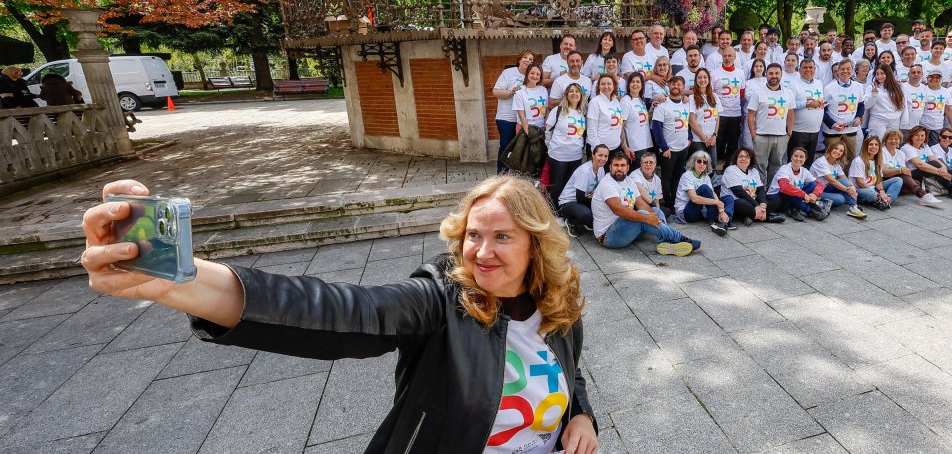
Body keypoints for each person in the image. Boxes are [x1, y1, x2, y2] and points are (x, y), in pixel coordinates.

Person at [81, 177, 600, 454]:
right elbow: (345, 310)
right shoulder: (440, 301)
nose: (481, 252)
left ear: (536, 246)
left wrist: (581, 414)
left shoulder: (557, 300)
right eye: (473, 234)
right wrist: (183, 280)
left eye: (502, 237)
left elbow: (568, 370)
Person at [593, 152, 700, 254]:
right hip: (609, 236)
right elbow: (619, 210)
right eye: (616, 165)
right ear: (610, 167)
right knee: (643, 215)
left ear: (628, 168)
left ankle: (665, 240)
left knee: (656, 210)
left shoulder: (629, 181)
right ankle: (679, 238)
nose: (619, 168)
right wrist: (647, 218)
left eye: (622, 165)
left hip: (625, 228)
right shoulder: (607, 184)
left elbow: (641, 204)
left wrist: (654, 217)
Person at [652, 76, 692, 209]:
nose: (676, 87)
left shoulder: (686, 103)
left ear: (683, 87)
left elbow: (688, 123)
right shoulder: (662, 104)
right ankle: (668, 205)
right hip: (668, 149)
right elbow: (657, 128)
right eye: (673, 84)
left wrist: (690, 138)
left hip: (683, 147)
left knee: (678, 176)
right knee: (667, 177)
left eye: (679, 84)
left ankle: (676, 202)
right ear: (669, 85)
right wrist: (664, 147)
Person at [747, 63, 794, 179]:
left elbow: (791, 114)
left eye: (777, 73)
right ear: (766, 75)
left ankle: (772, 191)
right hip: (762, 136)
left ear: (781, 75)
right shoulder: (758, 92)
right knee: (760, 166)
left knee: (776, 165)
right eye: (771, 73)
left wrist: (789, 133)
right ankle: (761, 190)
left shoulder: (788, 93)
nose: (774, 76)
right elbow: (750, 115)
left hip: (781, 136)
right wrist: (754, 135)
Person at [545, 83, 588, 206]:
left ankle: (565, 211)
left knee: (569, 188)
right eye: (571, 91)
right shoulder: (557, 110)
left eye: (577, 91)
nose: (574, 94)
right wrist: (551, 148)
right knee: (556, 186)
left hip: (576, 156)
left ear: (581, 95)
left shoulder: (583, 113)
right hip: (558, 156)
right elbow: (548, 132)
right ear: (566, 95)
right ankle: (553, 212)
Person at [492, 51, 535, 173]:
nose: (527, 60)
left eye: (531, 59)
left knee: (520, 148)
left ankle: (515, 174)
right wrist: (512, 92)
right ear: (519, 60)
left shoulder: (532, 76)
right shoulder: (508, 73)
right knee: (506, 147)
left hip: (524, 119)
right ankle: (501, 173)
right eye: (525, 57)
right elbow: (496, 92)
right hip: (507, 118)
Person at [674, 150, 731, 234]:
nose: (702, 164)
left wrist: (721, 210)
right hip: (686, 213)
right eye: (699, 161)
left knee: (729, 198)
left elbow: (713, 194)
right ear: (693, 162)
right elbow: (694, 199)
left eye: (705, 162)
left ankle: (725, 219)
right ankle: (713, 221)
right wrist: (717, 202)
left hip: (700, 211)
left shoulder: (706, 177)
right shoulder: (687, 175)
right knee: (704, 188)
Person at [722, 147, 780, 229]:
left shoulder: (754, 171)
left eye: (747, 157)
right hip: (736, 201)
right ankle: (766, 218)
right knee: (743, 203)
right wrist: (756, 206)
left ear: (750, 159)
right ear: (736, 158)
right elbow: (738, 192)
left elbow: (760, 190)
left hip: (752, 201)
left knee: (775, 199)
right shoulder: (731, 170)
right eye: (740, 156)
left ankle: (752, 215)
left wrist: (762, 205)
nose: (743, 159)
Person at [766, 148, 830, 220]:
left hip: (793, 198)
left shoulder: (804, 171)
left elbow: (820, 184)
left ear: (805, 159)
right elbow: (785, 187)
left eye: (801, 157)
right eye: (796, 156)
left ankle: (793, 209)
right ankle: (809, 211)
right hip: (778, 200)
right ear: (791, 157)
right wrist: (804, 195)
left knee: (813, 185)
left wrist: (815, 194)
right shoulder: (784, 169)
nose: (798, 159)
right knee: (788, 190)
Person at [822, 59, 867, 164]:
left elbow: (861, 106)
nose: (845, 71)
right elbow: (823, 110)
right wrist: (832, 124)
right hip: (833, 131)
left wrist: (859, 118)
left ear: (852, 70)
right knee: (831, 159)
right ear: (838, 71)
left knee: (850, 158)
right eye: (842, 69)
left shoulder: (858, 87)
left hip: (850, 130)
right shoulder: (829, 88)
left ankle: (848, 179)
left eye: (848, 68)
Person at [881, 129, 941, 206]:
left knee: (916, 183)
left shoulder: (901, 154)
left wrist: (902, 171)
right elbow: (883, 172)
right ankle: (923, 195)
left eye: (896, 139)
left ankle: (891, 192)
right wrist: (899, 170)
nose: (893, 141)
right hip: (885, 180)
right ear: (885, 140)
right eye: (890, 139)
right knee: (902, 175)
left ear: (899, 141)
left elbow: (906, 171)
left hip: (899, 180)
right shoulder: (881, 152)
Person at [810, 141, 868, 219]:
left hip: (827, 188)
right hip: (816, 190)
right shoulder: (821, 162)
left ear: (842, 154)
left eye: (841, 151)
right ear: (830, 148)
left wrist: (852, 186)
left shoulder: (836, 163)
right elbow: (832, 181)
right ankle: (816, 202)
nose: (838, 152)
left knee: (844, 184)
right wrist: (848, 190)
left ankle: (853, 207)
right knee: (840, 199)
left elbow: (844, 177)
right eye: (836, 148)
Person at [558, 145, 609, 230]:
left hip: (584, 200)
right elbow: (580, 197)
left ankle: (587, 220)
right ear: (593, 155)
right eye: (600, 155)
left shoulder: (601, 169)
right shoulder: (585, 171)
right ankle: (570, 222)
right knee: (586, 215)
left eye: (606, 156)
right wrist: (598, 205)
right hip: (568, 203)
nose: (603, 159)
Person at [710, 45, 744, 169]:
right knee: (718, 141)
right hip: (720, 114)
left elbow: (741, 92)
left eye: (730, 55)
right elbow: (711, 93)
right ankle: (715, 166)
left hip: (735, 113)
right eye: (725, 55)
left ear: (735, 57)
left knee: (733, 142)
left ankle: (729, 166)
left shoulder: (740, 73)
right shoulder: (714, 73)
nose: (727, 58)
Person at [788, 58, 824, 168]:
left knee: (808, 162)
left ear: (815, 69)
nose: (808, 70)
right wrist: (808, 104)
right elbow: (790, 104)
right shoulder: (793, 84)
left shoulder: (819, 83)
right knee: (795, 162)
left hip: (815, 130)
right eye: (805, 67)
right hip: (798, 131)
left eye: (810, 67)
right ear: (799, 70)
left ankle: (804, 183)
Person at [851, 135, 902, 210]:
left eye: (876, 145)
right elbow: (860, 182)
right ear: (865, 146)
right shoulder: (858, 161)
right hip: (861, 190)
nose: (874, 147)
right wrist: (877, 193)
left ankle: (885, 201)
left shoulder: (877, 161)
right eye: (871, 144)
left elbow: (878, 180)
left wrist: (882, 191)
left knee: (898, 180)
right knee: (871, 193)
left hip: (874, 188)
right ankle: (880, 200)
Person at [687, 68, 719, 166]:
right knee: (700, 165)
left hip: (711, 138)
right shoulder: (692, 98)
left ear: (709, 79)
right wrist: (704, 138)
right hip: (698, 139)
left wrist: (714, 136)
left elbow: (717, 117)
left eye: (705, 77)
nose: (702, 80)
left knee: (713, 165)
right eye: (699, 77)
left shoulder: (714, 96)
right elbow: (692, 121)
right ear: (696, 80)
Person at [587, 74, 624, 156]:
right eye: (603, 84)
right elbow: (591, 130)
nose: (606, 86)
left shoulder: (616, 102)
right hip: (601, 151)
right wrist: (599, 150)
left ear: (614, 86)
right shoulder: (595, 102)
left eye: (609, 84)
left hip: (616, 148)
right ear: (599, 86)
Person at [620, 73, 653, 163]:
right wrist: (625, 146)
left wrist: (653, 107)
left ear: (642, 85)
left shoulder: (641, 100)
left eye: (638, 82)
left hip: (646, 143)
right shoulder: (625, 101)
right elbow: (621, 126)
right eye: (632, 82)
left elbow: (644, 119)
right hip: (634, 146)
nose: (635, 84)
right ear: (628, 84)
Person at [867, 64, 905, 140]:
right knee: (878, 143)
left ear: (888, 74)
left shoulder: (898, 86)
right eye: (877, 74)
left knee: (892, 143)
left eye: (882, 73)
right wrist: (873, 95)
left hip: (894, 120)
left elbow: (902, 104)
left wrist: (903, 121)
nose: (879, 76)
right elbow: (867, 105)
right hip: (878, 120)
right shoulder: (872, 87)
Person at [918, 68, 952, 143]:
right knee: (922, 145)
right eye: (931, 77)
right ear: (927, 78)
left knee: (935, 147)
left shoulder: (945, 91)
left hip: (938, 125)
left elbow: (948, 109)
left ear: (941, 79)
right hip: (923, 125)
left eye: (937, 77)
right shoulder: (922, 89)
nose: (934, 79)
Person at [514, 65, 549, 135]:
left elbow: (547, 109)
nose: (535, 76)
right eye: (532, 73)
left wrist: (545, 127)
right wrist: (529, 134)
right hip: (524, 129)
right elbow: (521, 115)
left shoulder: (543, 90)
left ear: (540, 77)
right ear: (527, 74)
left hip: (541, 128)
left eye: (538, 74)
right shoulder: (520, 91)